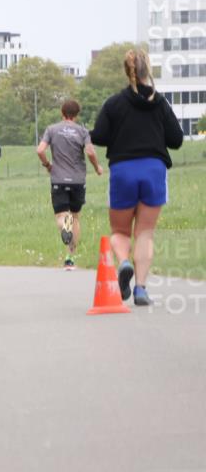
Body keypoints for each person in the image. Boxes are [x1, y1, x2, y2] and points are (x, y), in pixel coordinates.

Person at [90, 48, 184, 306]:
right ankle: (141, 289)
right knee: (145, 233)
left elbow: (99, 136)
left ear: (126, 70)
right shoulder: (160, 103)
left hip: (123, 170)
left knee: (120, 230)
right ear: (147, 69)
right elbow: (176, 140)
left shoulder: (114, 103)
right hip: (154, 169)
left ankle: (123, 263)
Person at [36, 99, 104, 271]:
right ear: (77, 114)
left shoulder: (52, 129)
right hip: (78, 181)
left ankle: (64, 225)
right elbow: (89, 151)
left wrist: (48, 165)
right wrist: (97, 167)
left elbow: (40, 150)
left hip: (58, 179)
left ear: (62, 112)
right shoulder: (82, 132)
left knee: (61, 216)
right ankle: (70, 258)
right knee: (75, 218)